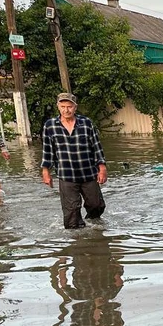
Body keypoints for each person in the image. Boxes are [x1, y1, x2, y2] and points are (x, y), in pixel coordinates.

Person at [40, 93, 108, 229]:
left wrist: (102, 168)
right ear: (58, 107)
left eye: (69, 107)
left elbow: (96, 147)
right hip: (66, 175)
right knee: (71, 213)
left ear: (75, 108)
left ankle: (93, 228)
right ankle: (76, 243)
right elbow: (48, 151)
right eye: (63, 106)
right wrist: (46, 171)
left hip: (88, 172)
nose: (66, 110)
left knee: (97, 205)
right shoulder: (50, 126)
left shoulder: (86, 123)